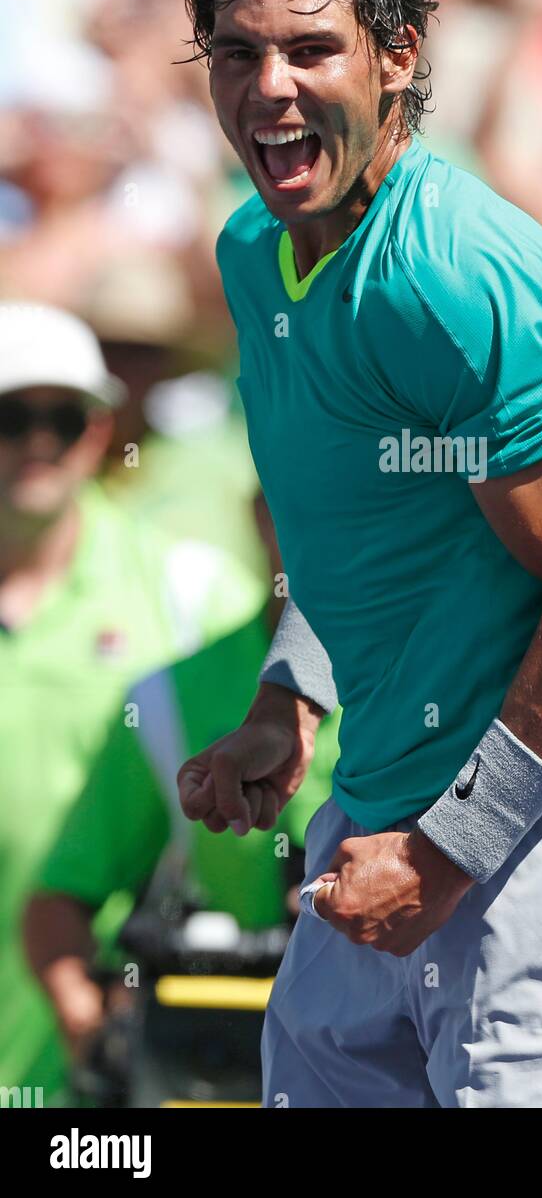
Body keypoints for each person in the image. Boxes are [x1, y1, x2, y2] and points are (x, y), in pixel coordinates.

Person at [176, 0, 542, 1109]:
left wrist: (444, 855)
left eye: (312, 49)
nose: (270, 90)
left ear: (398, 57)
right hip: (377, 828)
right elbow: (374, 524)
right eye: (238, 52)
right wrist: (288, 699)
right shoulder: (255, 252)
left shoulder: (452, 272)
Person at [0, 301, 263, 1103]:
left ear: (99, 429)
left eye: (64, 417)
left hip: (124, 1054)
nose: (39, 442)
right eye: (12, 417)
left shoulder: (195, 596)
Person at [24, 493, 341, 1085]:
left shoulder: (447, 682)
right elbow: (59, 901)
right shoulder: (168, 695)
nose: (327, 529)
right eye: (302, 500)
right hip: (219, 1063)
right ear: (258, 513)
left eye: (357, 506)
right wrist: (92, 1025)